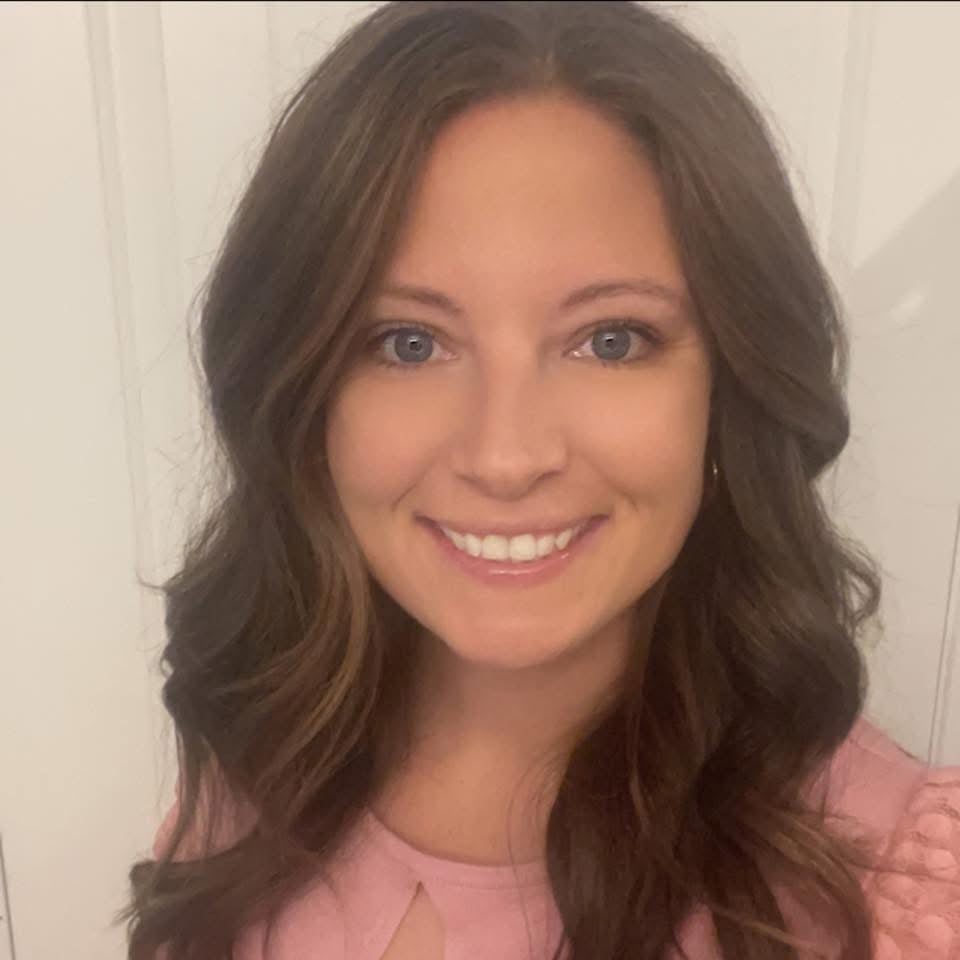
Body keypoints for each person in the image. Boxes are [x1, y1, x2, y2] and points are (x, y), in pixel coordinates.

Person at [118, 2, 960, 958]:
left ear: (730, 385)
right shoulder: (257, 770)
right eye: (408, 343)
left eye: (611, 340)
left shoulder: (896, 885)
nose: (506, 457)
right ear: (303, 396)